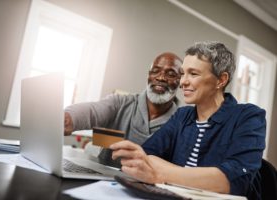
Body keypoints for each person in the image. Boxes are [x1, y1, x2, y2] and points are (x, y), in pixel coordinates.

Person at [110, 41, 266, 199]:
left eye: (193, 74)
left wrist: (159, 173)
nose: (182, 81)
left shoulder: (249, 117)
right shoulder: (181, 115)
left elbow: (232, 181)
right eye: (183, 73)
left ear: (221, 80)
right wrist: (198, 177)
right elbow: (145, 157)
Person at [64, 52, 182, 164]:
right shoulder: (120, 103)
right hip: (104, 180)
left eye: (171, 74)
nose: (161, 77)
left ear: (181, 81)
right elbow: (93, 111)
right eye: (155, 71)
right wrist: (67, 118)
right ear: (148, 76)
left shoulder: (182, 123)